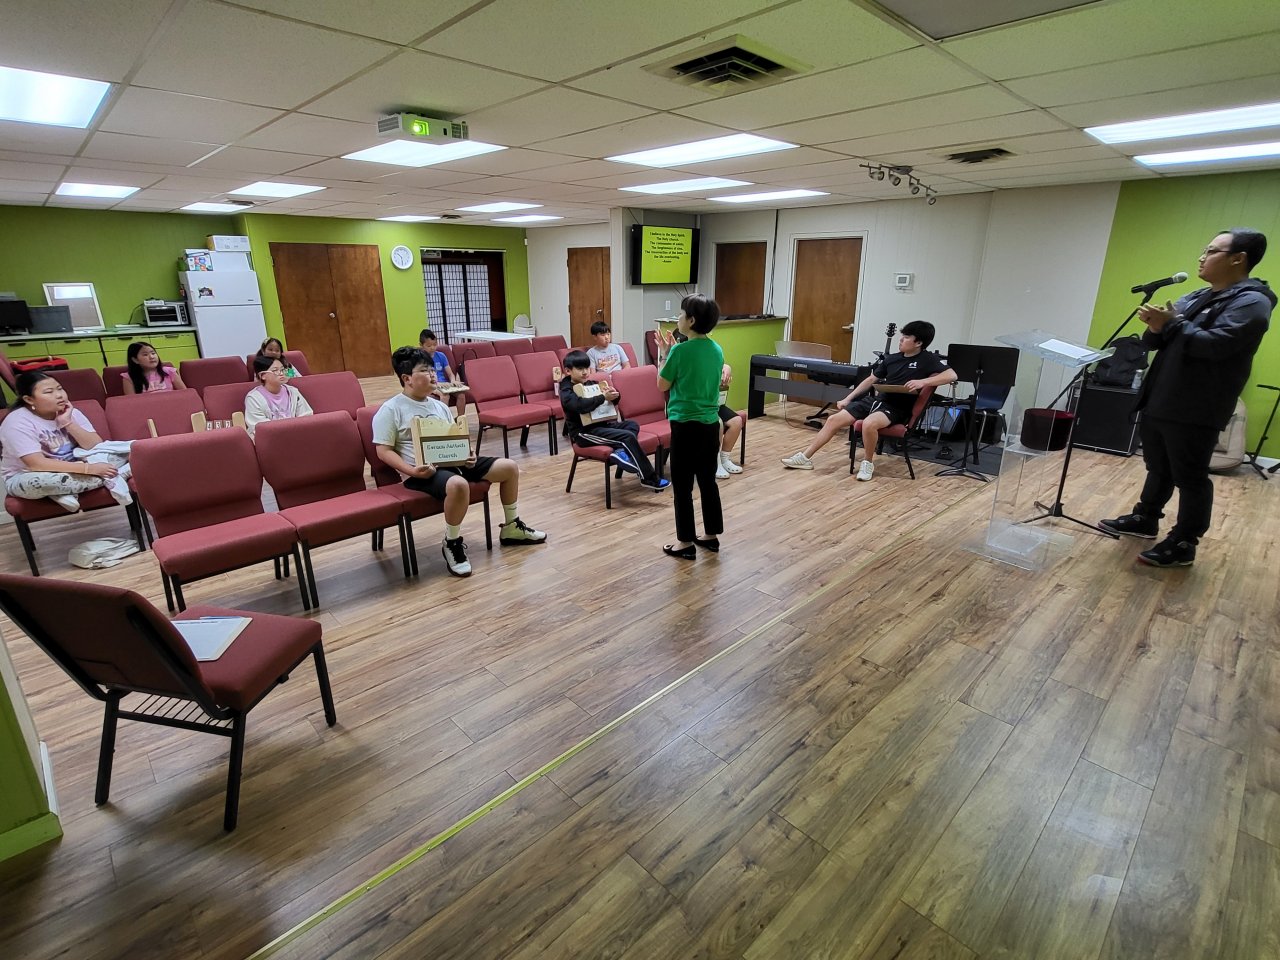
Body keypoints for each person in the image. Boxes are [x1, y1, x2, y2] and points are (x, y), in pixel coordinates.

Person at [1100, 228, 1273, 567]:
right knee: (1158, 466)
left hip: (1197, 406)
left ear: (1238, 259)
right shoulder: (1197, 296)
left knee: (1190, 476)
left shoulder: (1253, 303)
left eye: (1212, 251)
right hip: (1162, 397)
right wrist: (1155, 327)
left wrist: (1172, 324)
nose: (1202, 257)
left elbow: (1215, 346)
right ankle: (1146, 517)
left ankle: (1183, 542)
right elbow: (1157, 341)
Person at [372, 347, 547, 577]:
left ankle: (511, 527)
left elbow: (455, 437)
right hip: (422, 472)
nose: (433, 375)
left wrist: (469, 453)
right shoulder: (391, 409)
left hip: (454, 462)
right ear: (407, 378)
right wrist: (412, 471)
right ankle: (452, 542)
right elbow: (383, 451)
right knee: (458, 484)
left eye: (432, 369)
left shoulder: (439, 406)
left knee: (509, 468)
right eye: (425, 370)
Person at [781, 320, 956, 481]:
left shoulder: (927, 360)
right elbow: (871, 380)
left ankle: (867, 463)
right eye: (902, 335)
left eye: (906, 337)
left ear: (918, 343)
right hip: (878, 401)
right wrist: (848, 398)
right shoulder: (892, 359)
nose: (901, 339)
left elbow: (952, 375)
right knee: (834, 419)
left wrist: (923, 382)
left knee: (869, 424)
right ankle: (805, 458)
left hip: (897, 408)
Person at [2, 372, 132, 513]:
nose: (59, 395)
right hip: (30, 475)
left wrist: (67, 423)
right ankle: (121, 473)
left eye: (60, 388)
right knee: (44, 482)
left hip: (76, 466)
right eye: (49, 392)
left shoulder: (70, 412)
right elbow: (36, 464)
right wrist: (89, 469)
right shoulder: (16, 422)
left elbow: (94, 445)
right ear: (29, 399)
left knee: (126, 453)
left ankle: (61, 492)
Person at [656, 294, 724, 559]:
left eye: (681, 314)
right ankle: (711, 536)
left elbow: (662, 384)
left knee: (683, 486)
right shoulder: (716, 349)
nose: (678, 319)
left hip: (684, 425)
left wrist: (664, 355)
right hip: (710, 425)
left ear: (691, 320)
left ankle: (684, 542)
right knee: (708, 481)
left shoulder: (679, 350)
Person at [559, 349, 669, 491]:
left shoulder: (591, 383)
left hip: (602, 426)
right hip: (584, 433)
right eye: (580, 369)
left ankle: (620, 452)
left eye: (586, 368)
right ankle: (649, 478)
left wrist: (614, 396)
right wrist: (602, 397)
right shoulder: (566, 392)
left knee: (632, 425)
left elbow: (610, 402)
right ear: (568, 371)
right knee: (627, 437)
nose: (585, 372)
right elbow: (580, 406)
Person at [663, 326, 744, 479]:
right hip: (691, 408)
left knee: (736, 421)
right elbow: (664, 384)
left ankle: (724, 458)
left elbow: (719, 365)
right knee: (717, 423)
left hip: (712, 402)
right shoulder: (677, 358)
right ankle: (714, 462)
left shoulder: (708, 352)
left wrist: (726, 368)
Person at [244, 355, 314, 438]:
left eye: (282, 369)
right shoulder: (253, 398)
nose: (281, 373)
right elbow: (259, 428)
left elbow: (306, 416)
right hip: (270, 439)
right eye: (275, 370)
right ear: (262, 375)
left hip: (296, 435)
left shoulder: (293, 392)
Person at [419, 328, 466, 418]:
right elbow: (424, 379)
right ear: (421, 345)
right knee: (445, 395)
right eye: (429, 346)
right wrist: (438, 384)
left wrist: (453, 381)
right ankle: (444, 420)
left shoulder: (441, 356)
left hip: (444, 384)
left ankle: (460, 419)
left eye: (435, 344)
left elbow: (450, 374)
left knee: (461, 395)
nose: (432, 348)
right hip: (430, 384)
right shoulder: (420, 359)